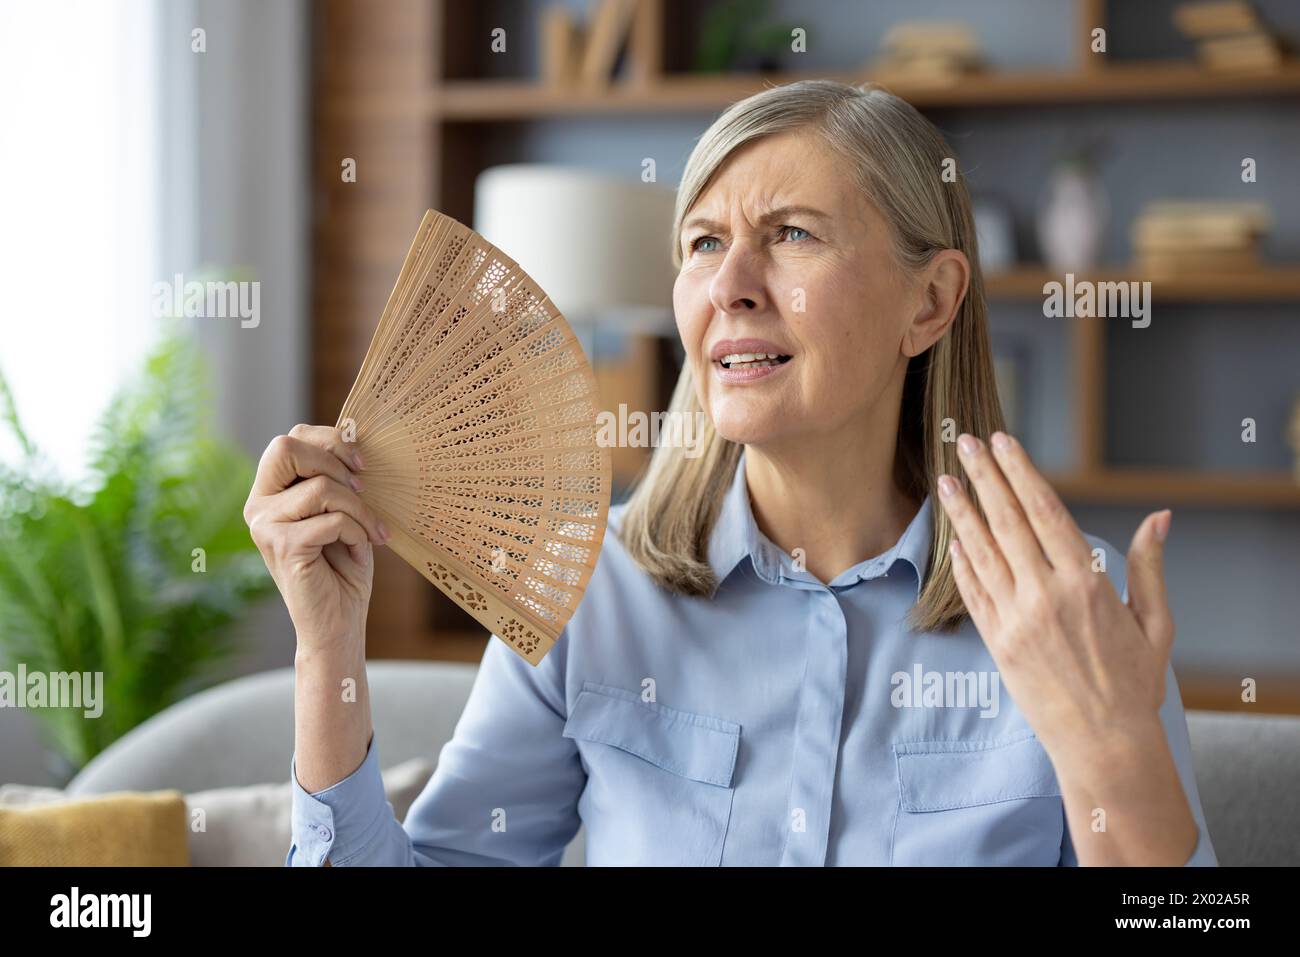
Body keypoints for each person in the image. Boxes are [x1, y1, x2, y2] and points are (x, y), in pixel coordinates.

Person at [243, 79, 1216, 866]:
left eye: (791, 234)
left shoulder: (1068, 613)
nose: (730, 285)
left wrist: (1105, 750)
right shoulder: (591, 589)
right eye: (704, 244)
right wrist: (327, 650)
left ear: (931, 302)